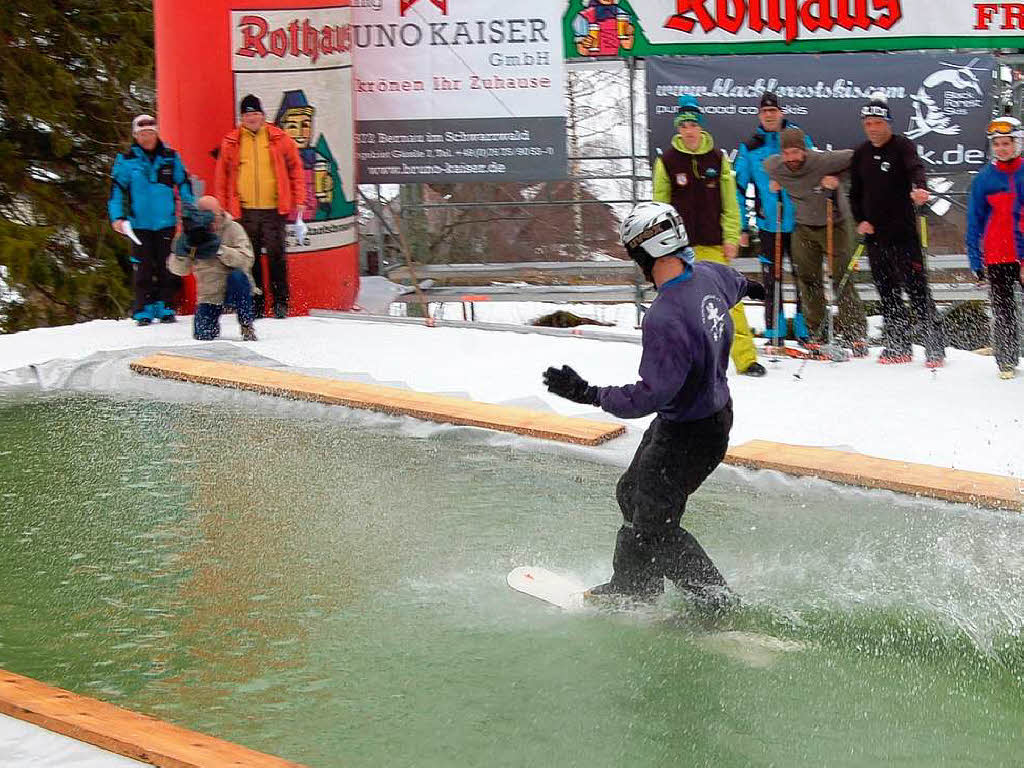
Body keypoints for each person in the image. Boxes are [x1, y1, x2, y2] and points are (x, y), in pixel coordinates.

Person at [541, 201, 765, 608]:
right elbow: (734, 280)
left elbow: (651, 394)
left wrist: (588, 393)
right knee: (631, 493)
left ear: (644, 254)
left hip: (690, 433)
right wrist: (753, 287)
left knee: (656, 526)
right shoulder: (707, 275)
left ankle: (717, 605)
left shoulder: (665, 316)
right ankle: (636, 585)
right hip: (702, 416)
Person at [653, 95, 765, 377]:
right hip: (681, 248)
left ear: (700, 127)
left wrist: (731, 236)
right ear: (678, 129)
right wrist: (663, 247)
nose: (689, 130)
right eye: (684, 125)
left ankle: (746, 358)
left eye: (693, 124)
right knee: (678, 304)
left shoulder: (718, 159)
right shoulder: (666, 161)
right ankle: (680, 361)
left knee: (732, 301)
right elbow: (660, 207)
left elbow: (730, 204)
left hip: (714, 244)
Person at [850, 96, 945, 367]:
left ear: (888, 122)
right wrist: (860, 220)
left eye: (878, 122)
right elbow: (855, 193)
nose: (873, 128)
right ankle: (897, 344)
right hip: (875, 238)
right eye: (868, 123)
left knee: (917, 290)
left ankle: (934, 345)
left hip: (903, 235)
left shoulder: (902, 146)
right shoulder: (861, 153)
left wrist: (919, 188)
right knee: (887, 292)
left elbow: (916, 169)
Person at [765, 128, 867, 351]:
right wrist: (774, 182)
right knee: (808, 280)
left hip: (835, 223)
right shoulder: (775, 165)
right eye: (787, 153)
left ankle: (855, 332)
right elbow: (767, 167)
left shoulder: (822, 161)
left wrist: (837, 178)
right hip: (804, 227)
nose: (791, 158)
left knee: (840, 278)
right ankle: (817, 333)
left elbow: (857, 156)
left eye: (795, 152)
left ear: (804, 150)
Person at [734, 91, 814, 344]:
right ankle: (775, 333)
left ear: (781, 112)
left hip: (801, 223)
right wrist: (743, 227)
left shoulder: (798, 138)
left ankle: (805, 331)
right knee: (772, 280)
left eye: (773, 111)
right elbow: (738, 186)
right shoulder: (751, 146)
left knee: (806, 278)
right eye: (764, 111)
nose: (769, 115)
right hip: (770, 224)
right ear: (760, 115)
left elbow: (814, 171)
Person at [214, 94, 304, 319]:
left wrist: (300, 199)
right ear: (241, 117)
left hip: (274, 208)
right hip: (244, 211)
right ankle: (256, 304)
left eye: (255, 113)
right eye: (247, 114)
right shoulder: (231, 141)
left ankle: (281, 303)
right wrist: (222, 209)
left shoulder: (279, 138)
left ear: (263, 115)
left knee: (277, 257)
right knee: (249, 259)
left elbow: (296, 169)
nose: (252, 118)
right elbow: (222, 178)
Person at [108, 114, 194, 325]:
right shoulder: (126, 161)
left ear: (156, 133)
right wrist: (117, 217)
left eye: (150, 133)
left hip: (166, 222)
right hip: (139, 224)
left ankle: (165, 305)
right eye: (142, 134)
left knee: (166, 264)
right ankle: (142, 308)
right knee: (143, 265)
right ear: (136, 136)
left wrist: (189, 211)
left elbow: (183, 184)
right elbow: (116, 191)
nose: (146, 137)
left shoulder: (170, 157)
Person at [966, 115, 1024, 379]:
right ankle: (1007, 360)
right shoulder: (983, 179)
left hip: (1021, 254)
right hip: (998, 255)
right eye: (997, 144)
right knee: (1003, 311)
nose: (1002, 148)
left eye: (1006, 143)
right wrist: (975, 260)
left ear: (1017, 143)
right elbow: (974, 222)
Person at [167, 196, 258, 342]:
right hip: (209, 293)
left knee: (238, 276)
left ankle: (246, 325)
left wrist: (220, 250)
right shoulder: (191, 234)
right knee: (202, 335)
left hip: (233, 289)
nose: (211, 221)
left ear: (221, 211)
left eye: (213, 215)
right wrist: (181, 253)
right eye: (205, 216)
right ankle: (212, 324)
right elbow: (179, 271)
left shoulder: (234, 228)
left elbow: (247, 260)